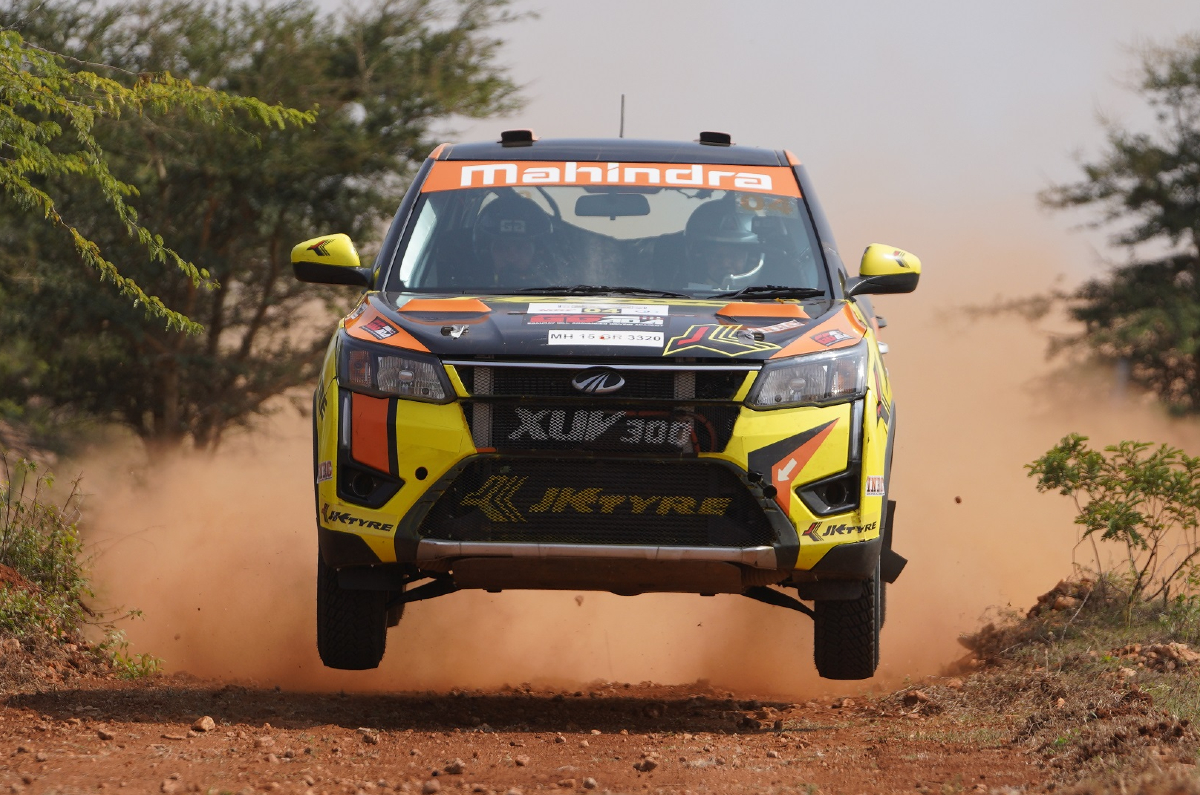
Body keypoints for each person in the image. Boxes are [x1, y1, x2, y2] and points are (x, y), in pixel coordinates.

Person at [472, 194, 555, 287]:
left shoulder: (559, 288)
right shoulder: (464, 289)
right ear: (487, 253)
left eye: (521, 248)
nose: (511, 258)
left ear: (537, 253)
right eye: (502, 248)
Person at [683, 198, 762, 288]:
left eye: (734, 255)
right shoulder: (675, 291)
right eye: (715, 255)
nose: (725, 263)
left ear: (751, 258)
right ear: (700, 258)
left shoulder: (773, 295)